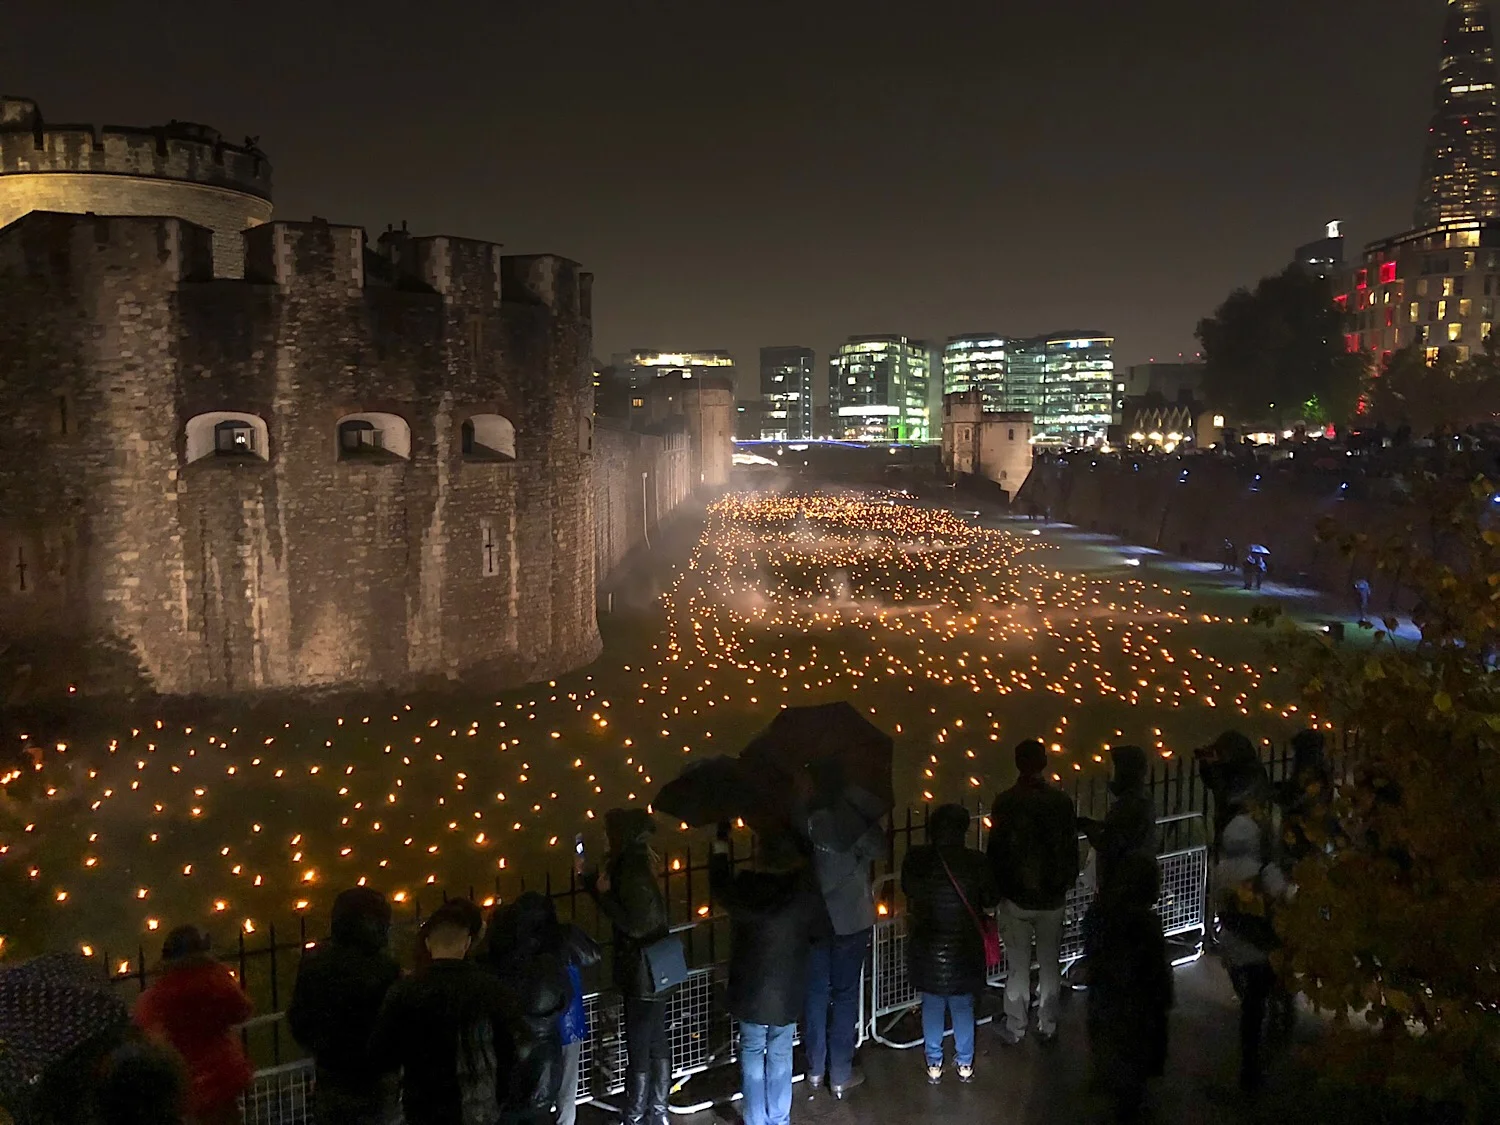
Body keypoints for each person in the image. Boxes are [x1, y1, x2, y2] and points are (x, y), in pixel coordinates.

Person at [709, 824, 825, 1125]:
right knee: (780, 1053)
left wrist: (721, 844)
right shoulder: (801, 892)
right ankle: (779, 1117)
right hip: (786, 990)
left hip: (751, 989)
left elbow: (719, 885)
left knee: (751, 1049)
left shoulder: (746, 888)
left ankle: (755, 1119)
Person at [368, 899, 516, 1125]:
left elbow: (382, 1053)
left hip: (425, 1106)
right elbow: (513, 1044)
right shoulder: (488, 987)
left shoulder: (406, 990)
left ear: (428, 943)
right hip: (477, 1105)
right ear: (467, 944)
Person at [987, 739, 1080, 1045]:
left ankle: (1016, 1025)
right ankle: (1048, 1023)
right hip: (1052, 897)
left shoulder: (1006, 802)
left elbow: (996, 852)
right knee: (1050, 962)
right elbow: (1070, 849)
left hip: (1016, 898)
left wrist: (999, 889)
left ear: (1017, 763)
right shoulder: (1062, 802)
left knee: (1017, 965)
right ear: (1044, 762)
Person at [583, 808, 672, 1125]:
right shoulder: (633, 864)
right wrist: (593, 885)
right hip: (656, 968)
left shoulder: (630, 871)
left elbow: (634, 923)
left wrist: (602, 895)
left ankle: (636, 1114)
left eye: (609, 832)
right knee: (656, 1040)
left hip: (642, 973)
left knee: (640, 1043)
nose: (605, 837)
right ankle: (658, 1111)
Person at [900, 803, 999, 1085]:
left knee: (931, 1003)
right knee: (962, 1004)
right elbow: (991, 898)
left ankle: (934, 1063)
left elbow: (908, 889)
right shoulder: (976, 862)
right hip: (964, 947)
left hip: (928, 945)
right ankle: (965, 1062)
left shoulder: (917, 859)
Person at [287, 887, 402, 1125]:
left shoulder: (314, 964)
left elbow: (299, 1019)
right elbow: (397, 1024)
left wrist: (320, 1046)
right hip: (375, 1079)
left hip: (331, 1073)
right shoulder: (385, 968)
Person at [803, 787, 883, 1098]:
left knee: (816, 993)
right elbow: (879, 848)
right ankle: (840, 1073)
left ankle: (814, 1069)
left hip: (816, 920)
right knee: (846, 995)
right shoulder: (851, 821)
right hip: (851, 919)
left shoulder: (803, 820)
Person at [132, 925, 253, 1125]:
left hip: (183, 1080)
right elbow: (242, 1010)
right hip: (223, 1075)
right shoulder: (216, 981)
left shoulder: (158, 993)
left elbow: (145, 1028)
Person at [1084, 853, 1173, 1121]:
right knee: (1135, 1057)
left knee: (1115, 1052)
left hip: (1108, 996)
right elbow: (1155, 966)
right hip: (1139, 1002)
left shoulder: (1100, 915)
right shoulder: (1146, 923)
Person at [479, 892, 573, 1124]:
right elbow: (565, 999)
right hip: (545, 1069)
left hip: (504, 1076)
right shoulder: (546, 964)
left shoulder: (485, 974)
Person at [1214, 811, 1292, 1093]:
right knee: (1258, 1004)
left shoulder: (1220, 871)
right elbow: (1285, 895)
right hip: (1261, 946)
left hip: (1233, 946)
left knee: (1250, 1003)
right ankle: (1259, 1058)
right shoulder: (1263, 871)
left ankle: (1250, 1061)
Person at [1079, 745, 1159, 895]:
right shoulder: (1139, 799)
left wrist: (1089, 829)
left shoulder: (1130, 804)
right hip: (1132, 881)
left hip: (1123, 885)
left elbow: (1111, 843)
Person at [555, 918, 602, 1125]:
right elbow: (593, 953)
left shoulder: (525, 940)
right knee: (567, 1087)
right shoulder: (563, 936)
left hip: (539, 1024)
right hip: (570, 1021)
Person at [1194, 730, 1272, 857]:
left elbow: (1229, 795)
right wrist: (1207, 764)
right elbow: (1211, 783)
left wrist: (1216, 768)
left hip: (1244, 827)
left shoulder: (1251, 771)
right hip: (1226, 825)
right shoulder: (1228, 768)